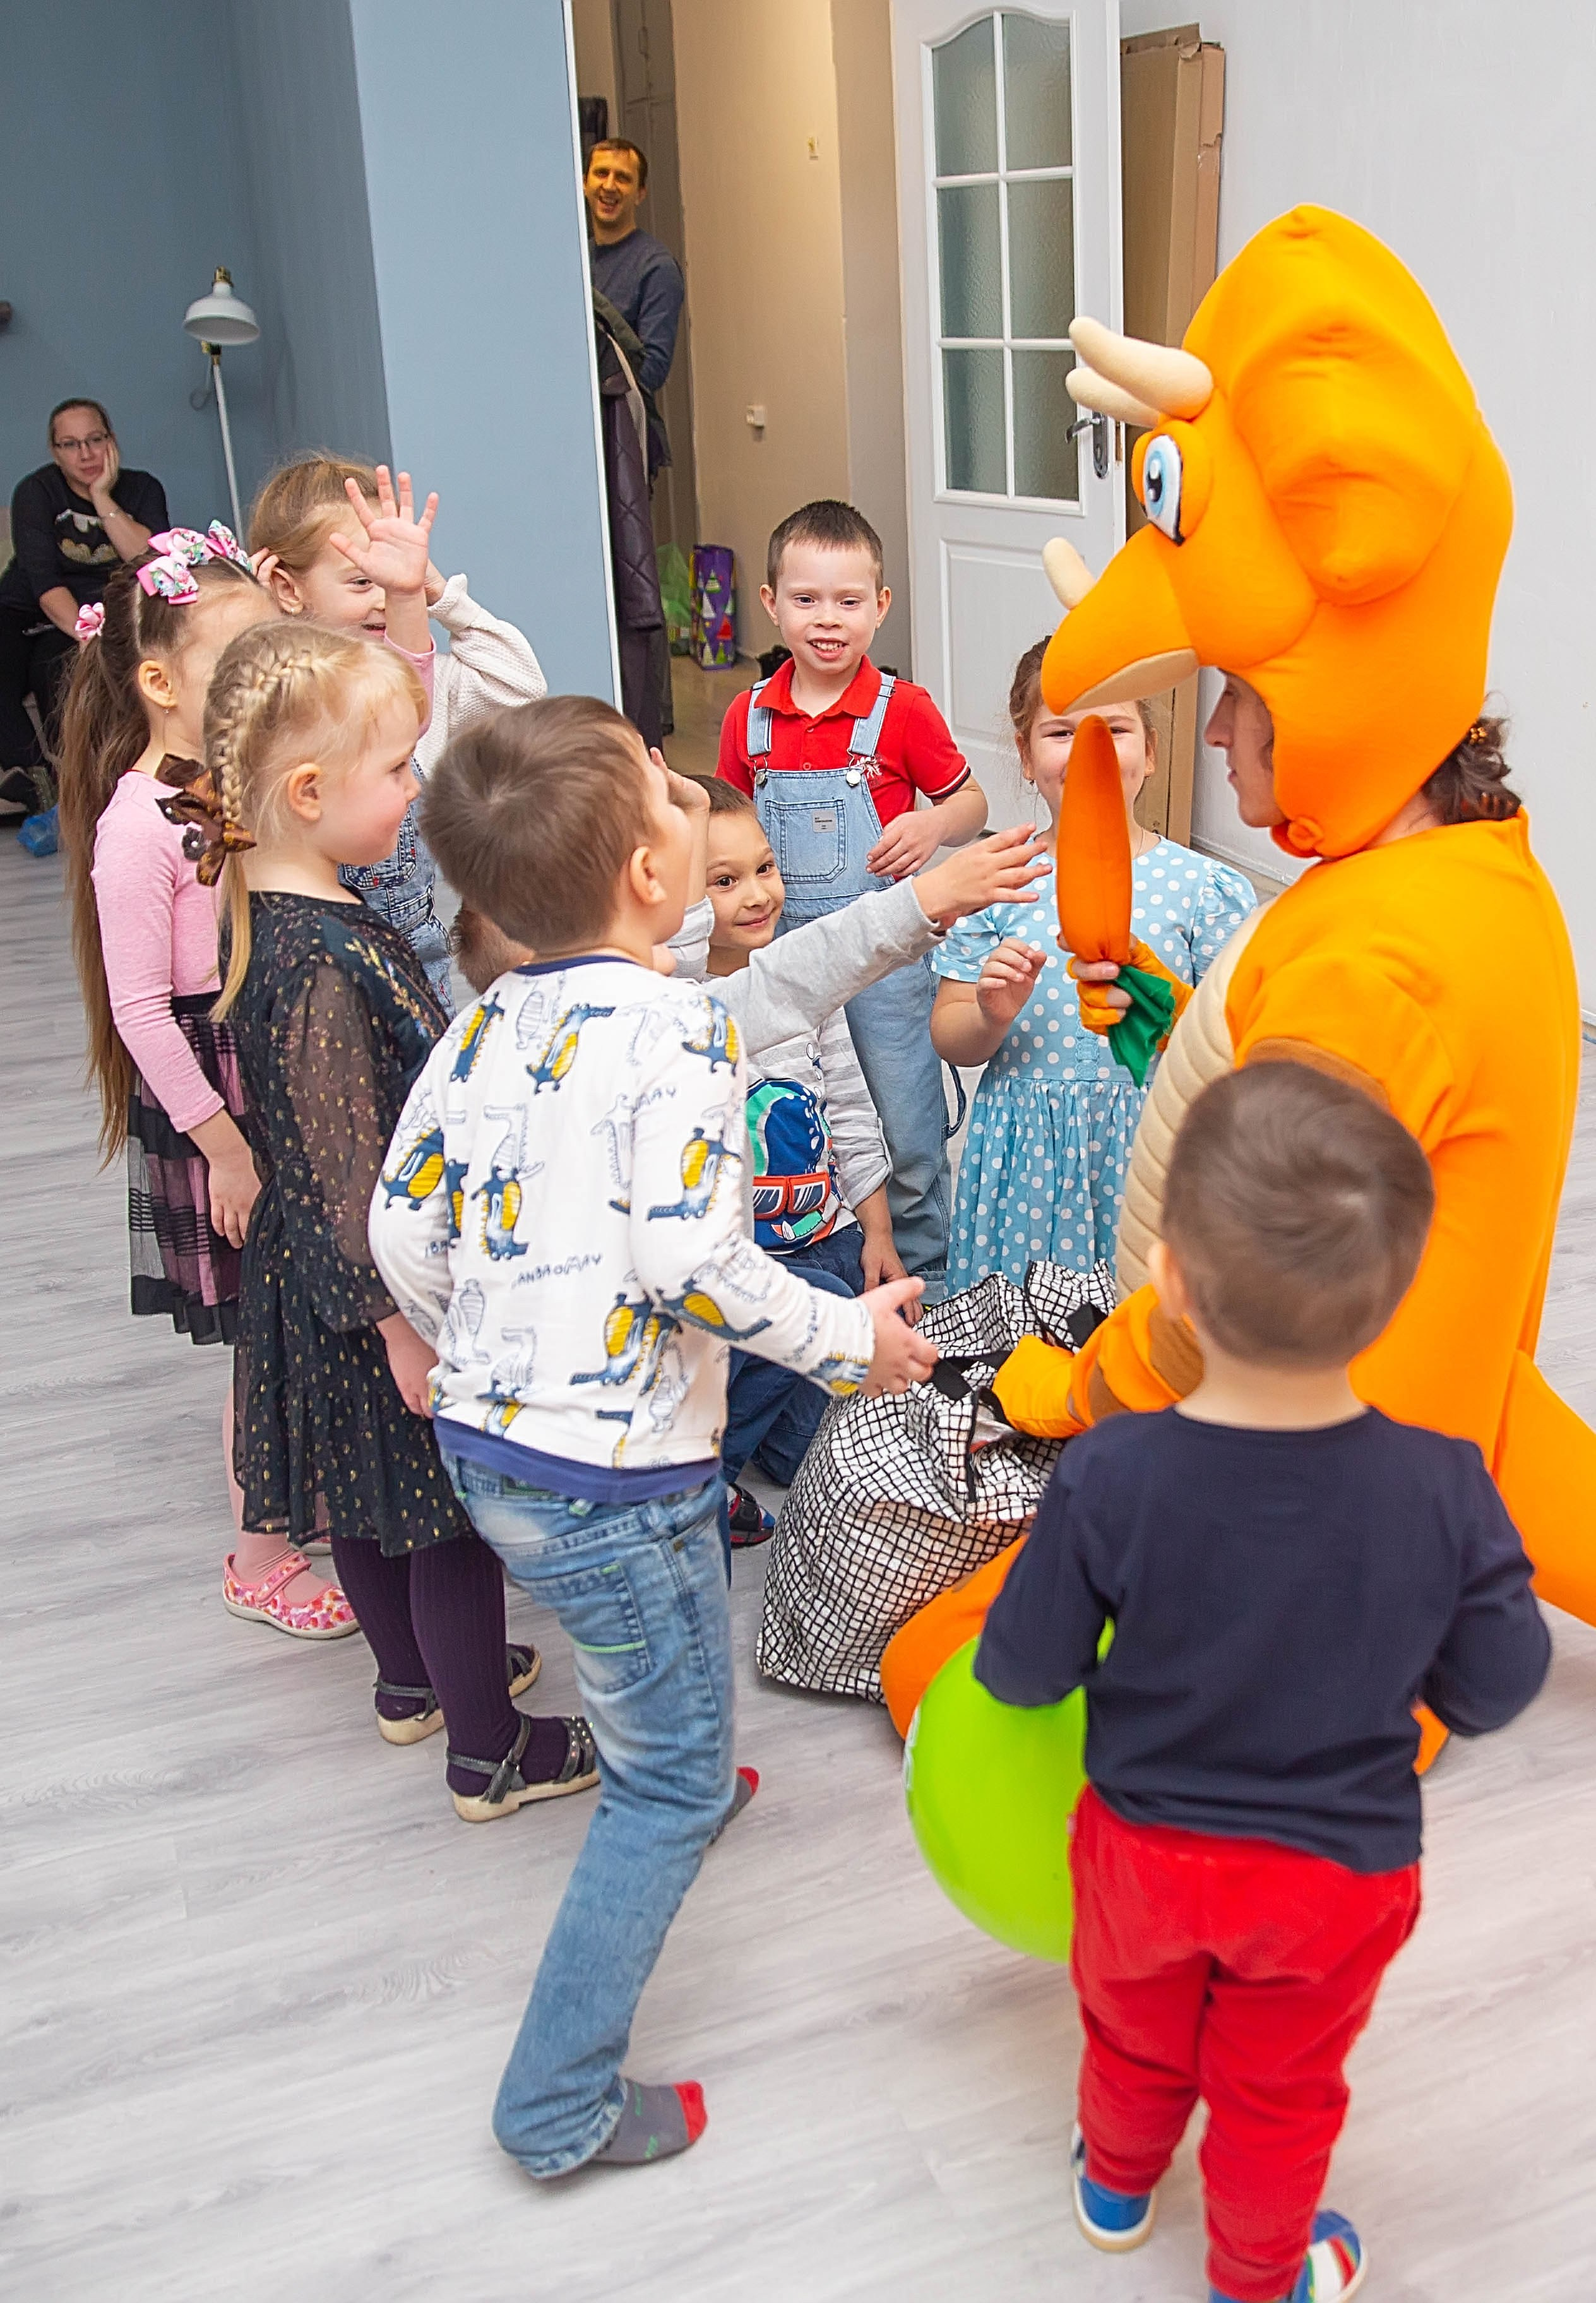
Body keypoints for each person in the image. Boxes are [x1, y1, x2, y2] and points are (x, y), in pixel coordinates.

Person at [878, 204, 1596, 1734]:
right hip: (1439, 1428)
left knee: (928, 1672)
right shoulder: (1470, 874)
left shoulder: (1382, 961)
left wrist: (1061, 1391)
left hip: (1311, 1551)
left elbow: (1225, 1291)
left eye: (1239, 699)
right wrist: (1168, 1021)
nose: (1212, 736)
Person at [371, 694, 937, 2176]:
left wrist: (479, 1339)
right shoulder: (679, 1032)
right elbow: (701, 1266)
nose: (699, 804)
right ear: (648, 876)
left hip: (496, 1448)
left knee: (668, 1616)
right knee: (666, 1778)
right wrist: (847, 1340)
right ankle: (555, 2099)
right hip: (606, 1475)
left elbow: (399, 1224)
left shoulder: (485, 1016)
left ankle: (675, 1735)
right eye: (675, 797)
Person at [975, 1061, 1550, 2303]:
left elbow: (1021, 1672)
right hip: (1332, 1877)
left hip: (1139, 1847)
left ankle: (1115, 2187)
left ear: (1171, 1280)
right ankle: (1256, 2276)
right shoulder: (1447, 1488)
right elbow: (1501, 1685)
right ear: (1391, 1302)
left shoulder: (1111, 1472)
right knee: (1277, 2090)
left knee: (1131, 2027)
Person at [202, 619, 591, 1813]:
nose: (413, 788)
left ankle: (412, 1680)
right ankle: (487, 1746)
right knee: (440, 1519)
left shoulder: (290, 909)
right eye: (396, 768)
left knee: (365, 1505)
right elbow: (343, 1159)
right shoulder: (322, 957)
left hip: (315, 1279)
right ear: (309, 791)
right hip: (373, 1289)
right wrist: (399, 1327)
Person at [54, 527, 357, 1639]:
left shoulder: (222, 783)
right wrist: (227, 1145)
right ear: (160, 680)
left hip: (264, 1073)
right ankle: (258, 1549)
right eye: (237, 663)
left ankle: (300, 1498)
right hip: (212, 1100)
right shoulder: (134, 828)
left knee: (298, 1318)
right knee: (260, 1340)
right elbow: (142, 1011)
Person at [718, 499, 989, 1296]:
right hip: (781, 958)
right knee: (804, 1116)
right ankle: (825, 1264)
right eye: (805, 600)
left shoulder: (902, 712)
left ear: (881, 606)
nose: (827, 621)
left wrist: (931, 822)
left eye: (848, 602)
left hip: (886, 970)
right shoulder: (747, 717)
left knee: (903, 1124)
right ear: (770, 604)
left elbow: (971, 803)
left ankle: (926, 1273)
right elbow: (725, 830)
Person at [930, 643, 1252, 1291]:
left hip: (1150, 1142)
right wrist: (990, 1016)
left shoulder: (1202, 889)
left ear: (1151, 752)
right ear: (1025, 757)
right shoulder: (997, 880)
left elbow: (1234, 1040)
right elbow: (949, 1034)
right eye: (1060, 732)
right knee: (1017, 1336)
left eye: (1114, 730)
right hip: (1024, 1149)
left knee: (1140, 1329)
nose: (1089, 751)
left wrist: (1165, 1010)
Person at [246, 457, 486, 1006]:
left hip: (415, 964)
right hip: (319, 968)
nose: (380, 596)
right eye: (361, 581)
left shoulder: (387, 694)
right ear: (286, 586)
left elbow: (411, 700)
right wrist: (254, 620)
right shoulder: (270, 698)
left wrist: (409, 594)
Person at [1, 399, 168, 809]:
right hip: (28, 609)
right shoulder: (36, 493)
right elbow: (45, 584)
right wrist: (87, 635)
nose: (86, 454)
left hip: (102, 611)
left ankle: (78, 784)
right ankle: (37, 780)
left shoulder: (142, 489)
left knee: (58, 672)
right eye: (71, 445)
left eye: (95, 440)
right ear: (56, 452)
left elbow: (153, 563)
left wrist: (101, 498)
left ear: (111, 440)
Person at [583, 140, 685, 397]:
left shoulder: (657, 267)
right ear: (585, 184)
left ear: (640, 194)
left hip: (619, 428)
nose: (609, 186)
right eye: (601, 173)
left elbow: (652, 371)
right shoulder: (575, 260)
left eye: (623, 178)